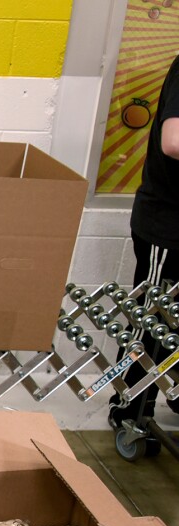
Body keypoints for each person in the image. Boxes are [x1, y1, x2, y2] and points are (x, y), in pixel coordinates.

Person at [109, 52, 179, 433]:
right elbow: (174, 141)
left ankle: (175, 393)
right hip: (167, 226)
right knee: (149, 322)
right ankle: (127, 405)